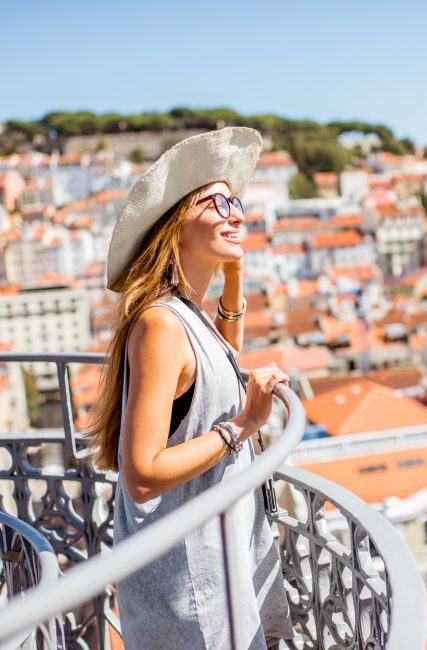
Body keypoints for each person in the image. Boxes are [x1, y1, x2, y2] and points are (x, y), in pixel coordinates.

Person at [86, 127, 292, 649]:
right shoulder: (160, 325)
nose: (236, 213)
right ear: (175, 223)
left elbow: (218, 359)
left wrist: (234, 275)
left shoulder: (183, 315)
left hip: (206, 566)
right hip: (187, 591)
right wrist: (244, 424)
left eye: (237, 201)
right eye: (218, 201)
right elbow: (143, 474)